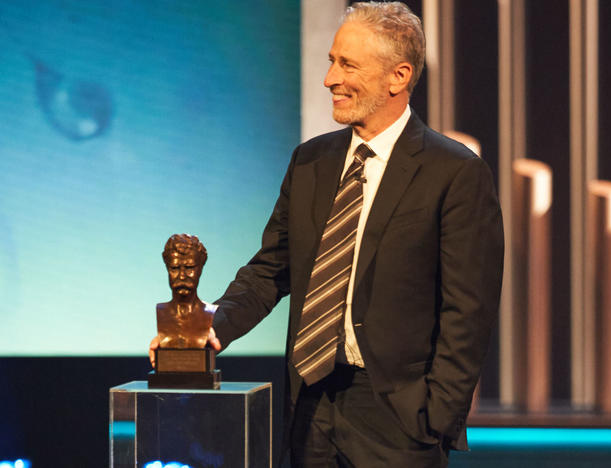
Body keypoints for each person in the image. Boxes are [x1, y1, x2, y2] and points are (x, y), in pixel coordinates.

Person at [151, 2, 503, 466]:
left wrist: (434, 416)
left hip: (398, 418)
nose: (329, 79)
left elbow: (468, 312)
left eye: (347, 64)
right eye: (331, 61)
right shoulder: (310, 161)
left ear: (398, 77)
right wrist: (205, 330)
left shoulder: (454, 172)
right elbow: (269, 271)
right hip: (310, 408)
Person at [156, 233, 213, 349]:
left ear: (201, 268)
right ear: (167, 268)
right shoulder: (161, 311)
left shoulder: (209, 313)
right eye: (174, 268)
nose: (182, 276)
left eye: (190, 267)